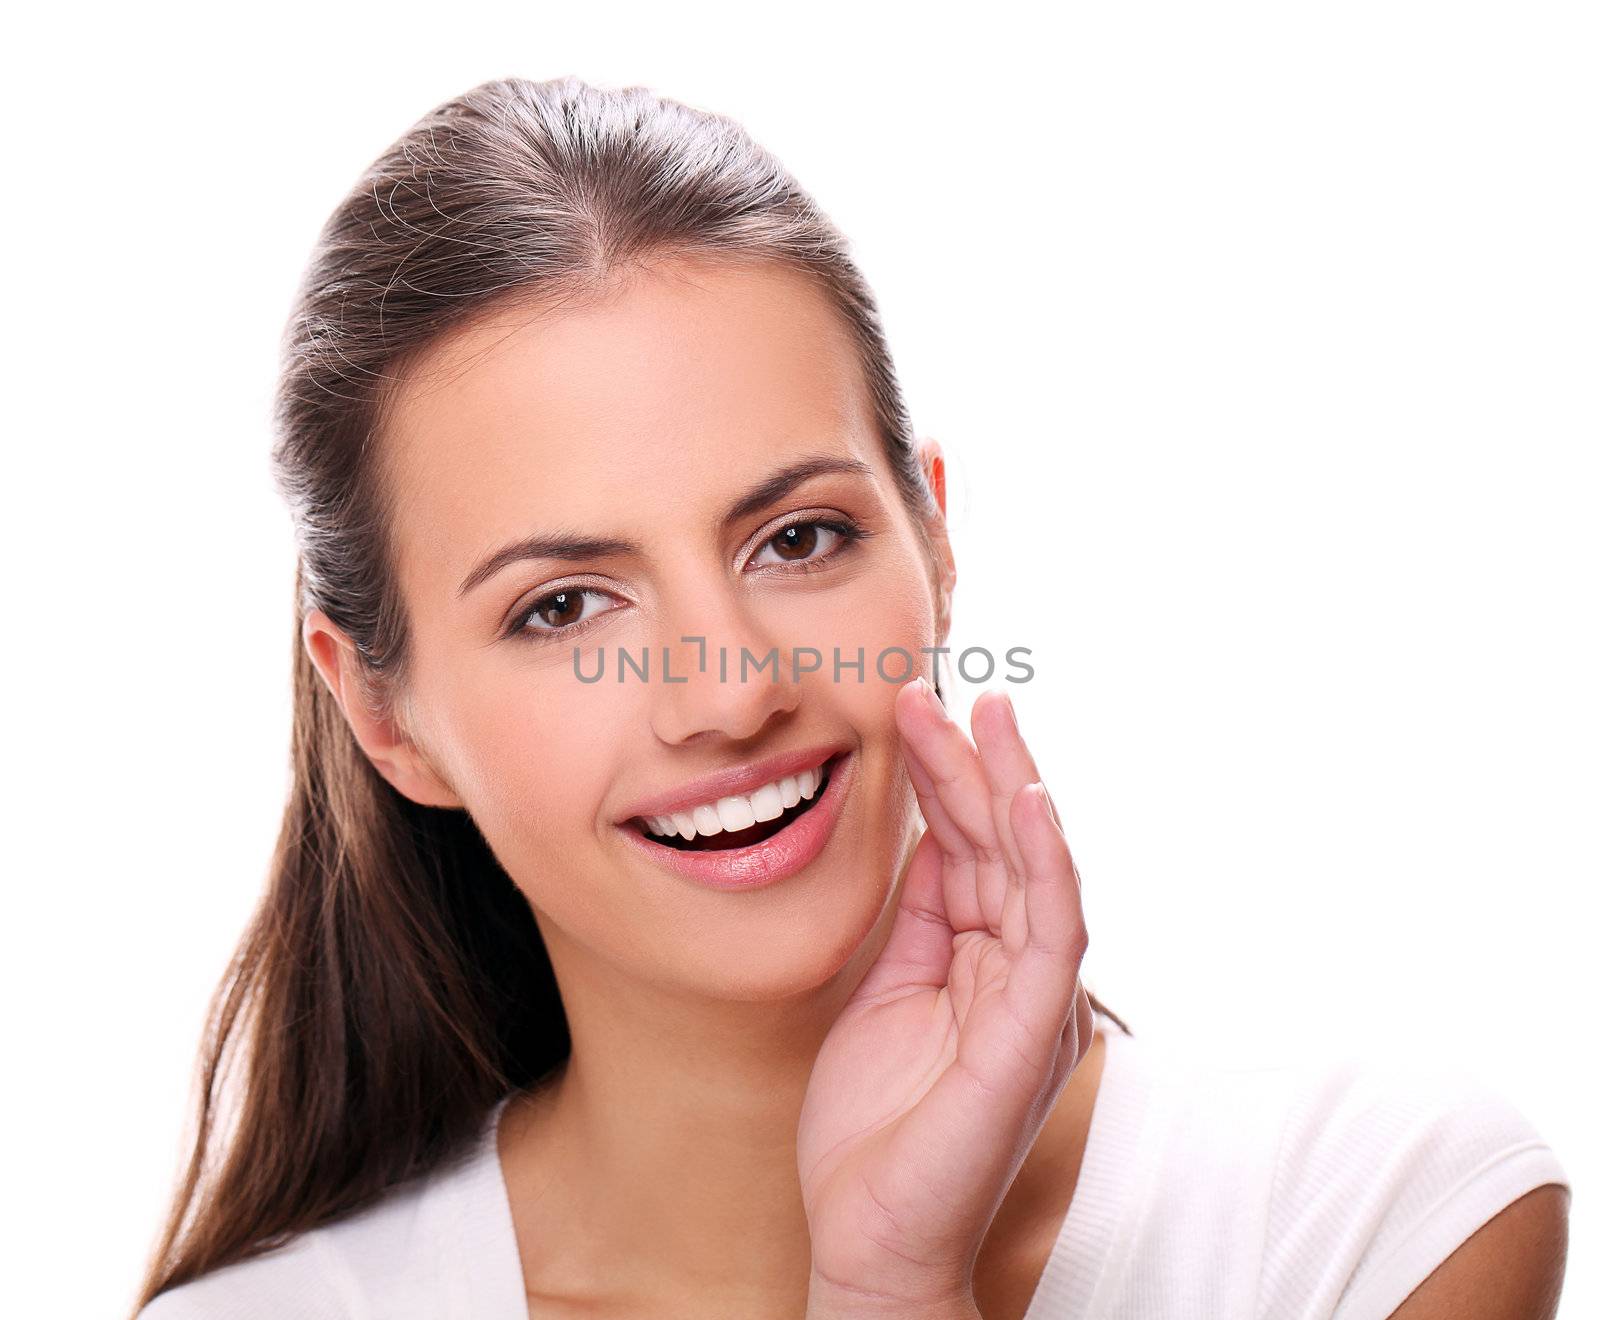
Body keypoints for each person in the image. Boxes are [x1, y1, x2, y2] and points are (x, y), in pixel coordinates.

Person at [131, 76, 1570, 1320]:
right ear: (383, 715)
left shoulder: (1365, 1221)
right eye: (563, 607)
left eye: (799, 539)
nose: (734, 691)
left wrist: (893, 1284)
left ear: (933, 541)